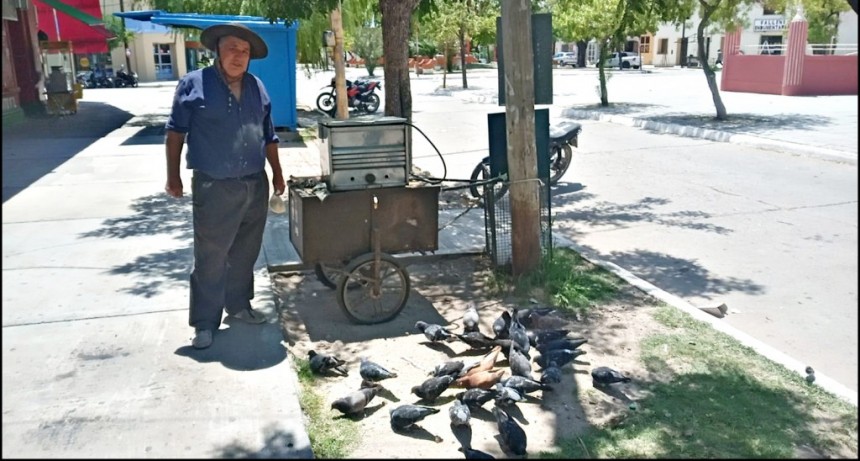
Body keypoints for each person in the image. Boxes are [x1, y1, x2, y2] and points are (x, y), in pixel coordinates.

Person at [164, 23, 285, 349]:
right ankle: (204, 322)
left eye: (244, 51)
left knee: (246, 252)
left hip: (253, 184)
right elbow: (175, 133)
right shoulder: (194, 84)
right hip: (214, 186)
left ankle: (239, 306)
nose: (239, 56)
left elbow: (268, 135)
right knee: (211, 257)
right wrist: (172, 176)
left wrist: (277, 173)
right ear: (217, 50)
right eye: (232, 48)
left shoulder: (257, 86)